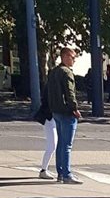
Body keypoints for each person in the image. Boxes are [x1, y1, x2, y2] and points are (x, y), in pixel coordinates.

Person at [47, 46, 82, 184]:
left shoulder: (53, 72)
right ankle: (67, 174)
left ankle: (60, 173)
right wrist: (74, 108)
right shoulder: (67, 72)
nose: (74, 60)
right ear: (65, 57)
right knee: (67, 145)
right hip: (66, 111)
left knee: (61, 143)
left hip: (56, 110)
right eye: (73, 57)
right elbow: (70, 92)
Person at [34, 84, 57, 180]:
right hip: (50, 117)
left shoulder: (51, 84)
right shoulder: (53, 86)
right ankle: (43, 170)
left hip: (51, 117)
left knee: (53, 145)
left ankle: (44, 169)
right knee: (52, 145)